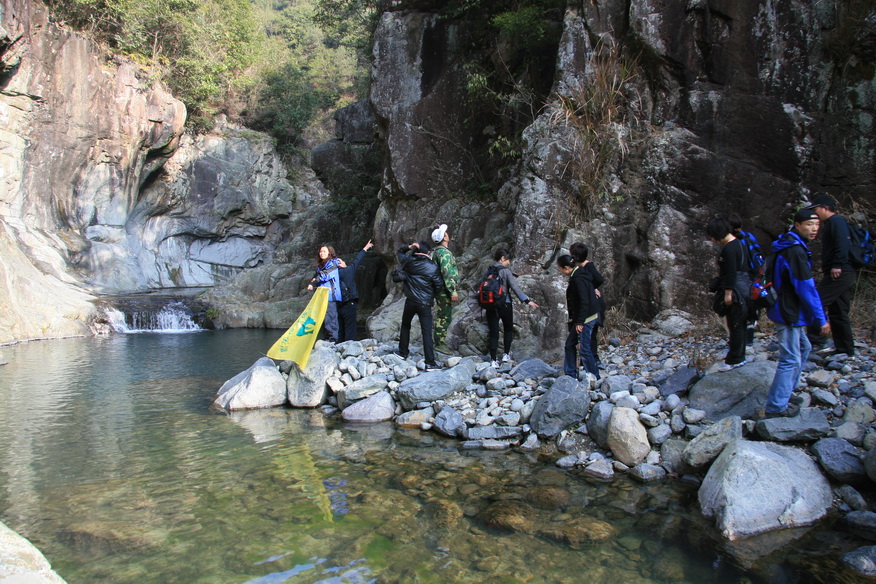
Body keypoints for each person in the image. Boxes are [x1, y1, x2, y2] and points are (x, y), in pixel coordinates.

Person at [764, 207, 830, 418]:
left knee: (804, 346)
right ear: (798, 225)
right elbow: (806, 288)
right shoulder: (794, 251)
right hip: (789, 311)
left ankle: (787, 393)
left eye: (817, 225)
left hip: (787, 308)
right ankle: (776, 407)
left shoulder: (789, 245)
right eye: (809, 225)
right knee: (790, 358)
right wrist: (821, 319)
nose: (814, 229)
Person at [809, 195, 857, 357]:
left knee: (817, 301)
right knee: (838, 311)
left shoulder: (837, 221)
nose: (815, 214)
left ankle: (815, 341)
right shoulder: (833, 223)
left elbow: (842, 243)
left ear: (825, 208)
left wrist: (838, 264)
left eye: (816, 209)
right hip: (843, 272)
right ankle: (845, 348)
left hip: (841, 272)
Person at [706, 217, 752, 372]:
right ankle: (740, 355)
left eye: (713, 236)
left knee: (735, 324)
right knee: (741, 323)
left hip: (736, 289)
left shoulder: (729, 248)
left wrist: (728, 293)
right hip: (745, 286)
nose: (712, 240)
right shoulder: (740, 243)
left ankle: (734, 359)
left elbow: (730, 272)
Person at [483, 248, 539, 368]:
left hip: (490, 305)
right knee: (508, 329)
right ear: (503, 258)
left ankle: (493, 360)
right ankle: (505, 355)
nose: (509, 262)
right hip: (505, 303)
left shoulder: (488, 270)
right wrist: (527, 301)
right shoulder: (505, 271)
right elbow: (515, 288)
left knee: (493, 332)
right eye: (508, 260)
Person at [396, 240, 445, 370]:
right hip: (425, 303)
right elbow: (439, 285)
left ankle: (403, 352)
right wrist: (431, 294)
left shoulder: (408, 262)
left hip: (410, 300)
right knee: (427, 332)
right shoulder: (433, 267)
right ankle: (430, 362)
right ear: (428, 252)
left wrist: (409, 246)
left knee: (406, 325)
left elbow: (399, 252)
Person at [556, 254, 600, 380]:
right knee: (570, 344)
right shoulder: (580, 274)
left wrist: (580, 322)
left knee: (584, 349)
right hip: (584, 317)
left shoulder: (578, 279)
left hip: (586, 318)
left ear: (566, 267)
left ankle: (594, 376)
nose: (560, 271)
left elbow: (583, 301)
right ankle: (570, 374)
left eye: (559, 268)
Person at [728, 213, 763, 345]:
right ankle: (750, 334)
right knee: (751, 304)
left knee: (741, 306)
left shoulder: (735, 242)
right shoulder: (749, 236)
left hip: (743, 275)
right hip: (754, 275)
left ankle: (743, 340)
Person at [569, 242, 606, 367]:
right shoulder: (580, 269)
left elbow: (599, 279)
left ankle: (592, 361)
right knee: (587, 334)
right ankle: (589, 360)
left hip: (591, 306)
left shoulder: (587, 266)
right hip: (590, 304)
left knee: (590, 334)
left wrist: (592, 289)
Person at [335, 240, 374, 342]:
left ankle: (339, 346)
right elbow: (357, 260)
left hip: (338, 304)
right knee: (350, 327)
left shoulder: (333, 275)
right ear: (341, 264)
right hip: (349, 302)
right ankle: (349, 347)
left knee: (341, 327)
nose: (344, 262)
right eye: (342, 261)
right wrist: (365, 248)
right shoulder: (348, 270)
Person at [430, 223, 459, 353]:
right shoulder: (444, 254)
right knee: (444, 316)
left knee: (442, 314)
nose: (448, 234)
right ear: (445, 238)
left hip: (438, 289)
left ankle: (438, 341)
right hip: (444, 290)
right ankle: (439, 343)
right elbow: (447, 274)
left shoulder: (435, 252)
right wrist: (452, 291)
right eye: (446, 234)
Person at [307, 245, 342, 342]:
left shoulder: (333, 264)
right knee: (323, 317)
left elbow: (325, 276)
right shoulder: (320, 266)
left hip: (330, 295)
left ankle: (333, 339)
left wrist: (313, 282)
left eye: (324, 251)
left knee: (330, 317)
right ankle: (327, 338)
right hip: (322, 296)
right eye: (320, 251)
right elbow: (316, 276)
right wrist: (312, 282)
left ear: (329, 253)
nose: (321, 253)